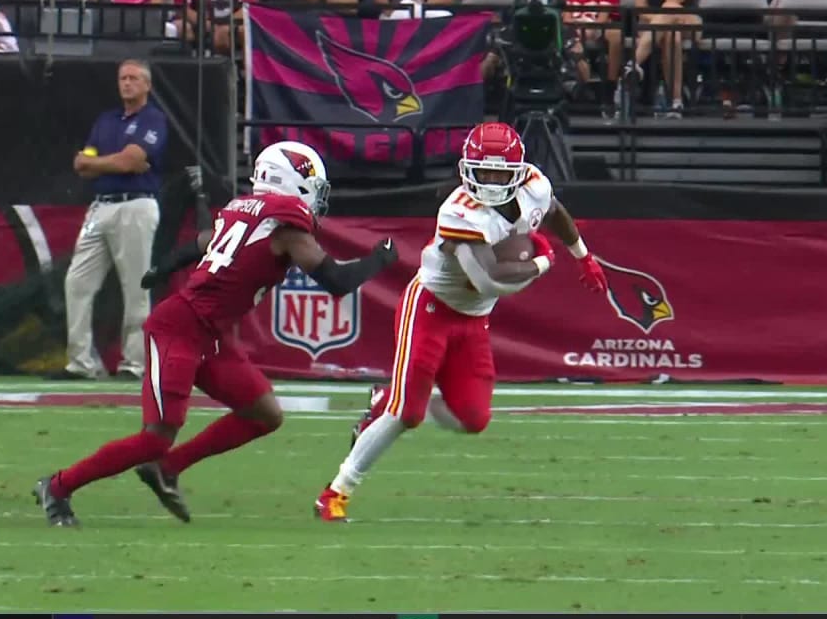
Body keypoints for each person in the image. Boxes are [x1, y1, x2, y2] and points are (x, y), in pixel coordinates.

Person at [33, 141, 399, 526]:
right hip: (180, 329)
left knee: (264, 414)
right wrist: (379, 258)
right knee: (155, 436)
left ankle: (167, 468)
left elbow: (204, 241)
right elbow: (336, 280)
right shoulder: (286, 222)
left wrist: (165, 266)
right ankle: (58, 486)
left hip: (210, 334)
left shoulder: (244, 208)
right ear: (291, 180)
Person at [314, 121, 608, 522]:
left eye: (496, 173)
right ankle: (336, 491)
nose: (487, 182)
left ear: (518, 172)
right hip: (430, 311)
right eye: (480, 172)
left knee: (473, 418)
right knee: (406, 414)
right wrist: (543, 262)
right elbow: (489, 279)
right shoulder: (459, 212)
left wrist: (583, 255)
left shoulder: (535, 185)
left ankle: (386, 399)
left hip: (473, 319)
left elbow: (553, 211)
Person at [51, 59, 166, 381]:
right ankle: (81, 362)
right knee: (76, 281)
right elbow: (82, 161)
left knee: (135, 286)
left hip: (136, 207)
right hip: (100, 206)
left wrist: (103, 163)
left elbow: (132, 161)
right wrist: (110, 162)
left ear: (146, 85)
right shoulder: (106, 120)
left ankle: (134, 363)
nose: (126, 83)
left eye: (133, 78)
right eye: (122, 78)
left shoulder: (153, 119)